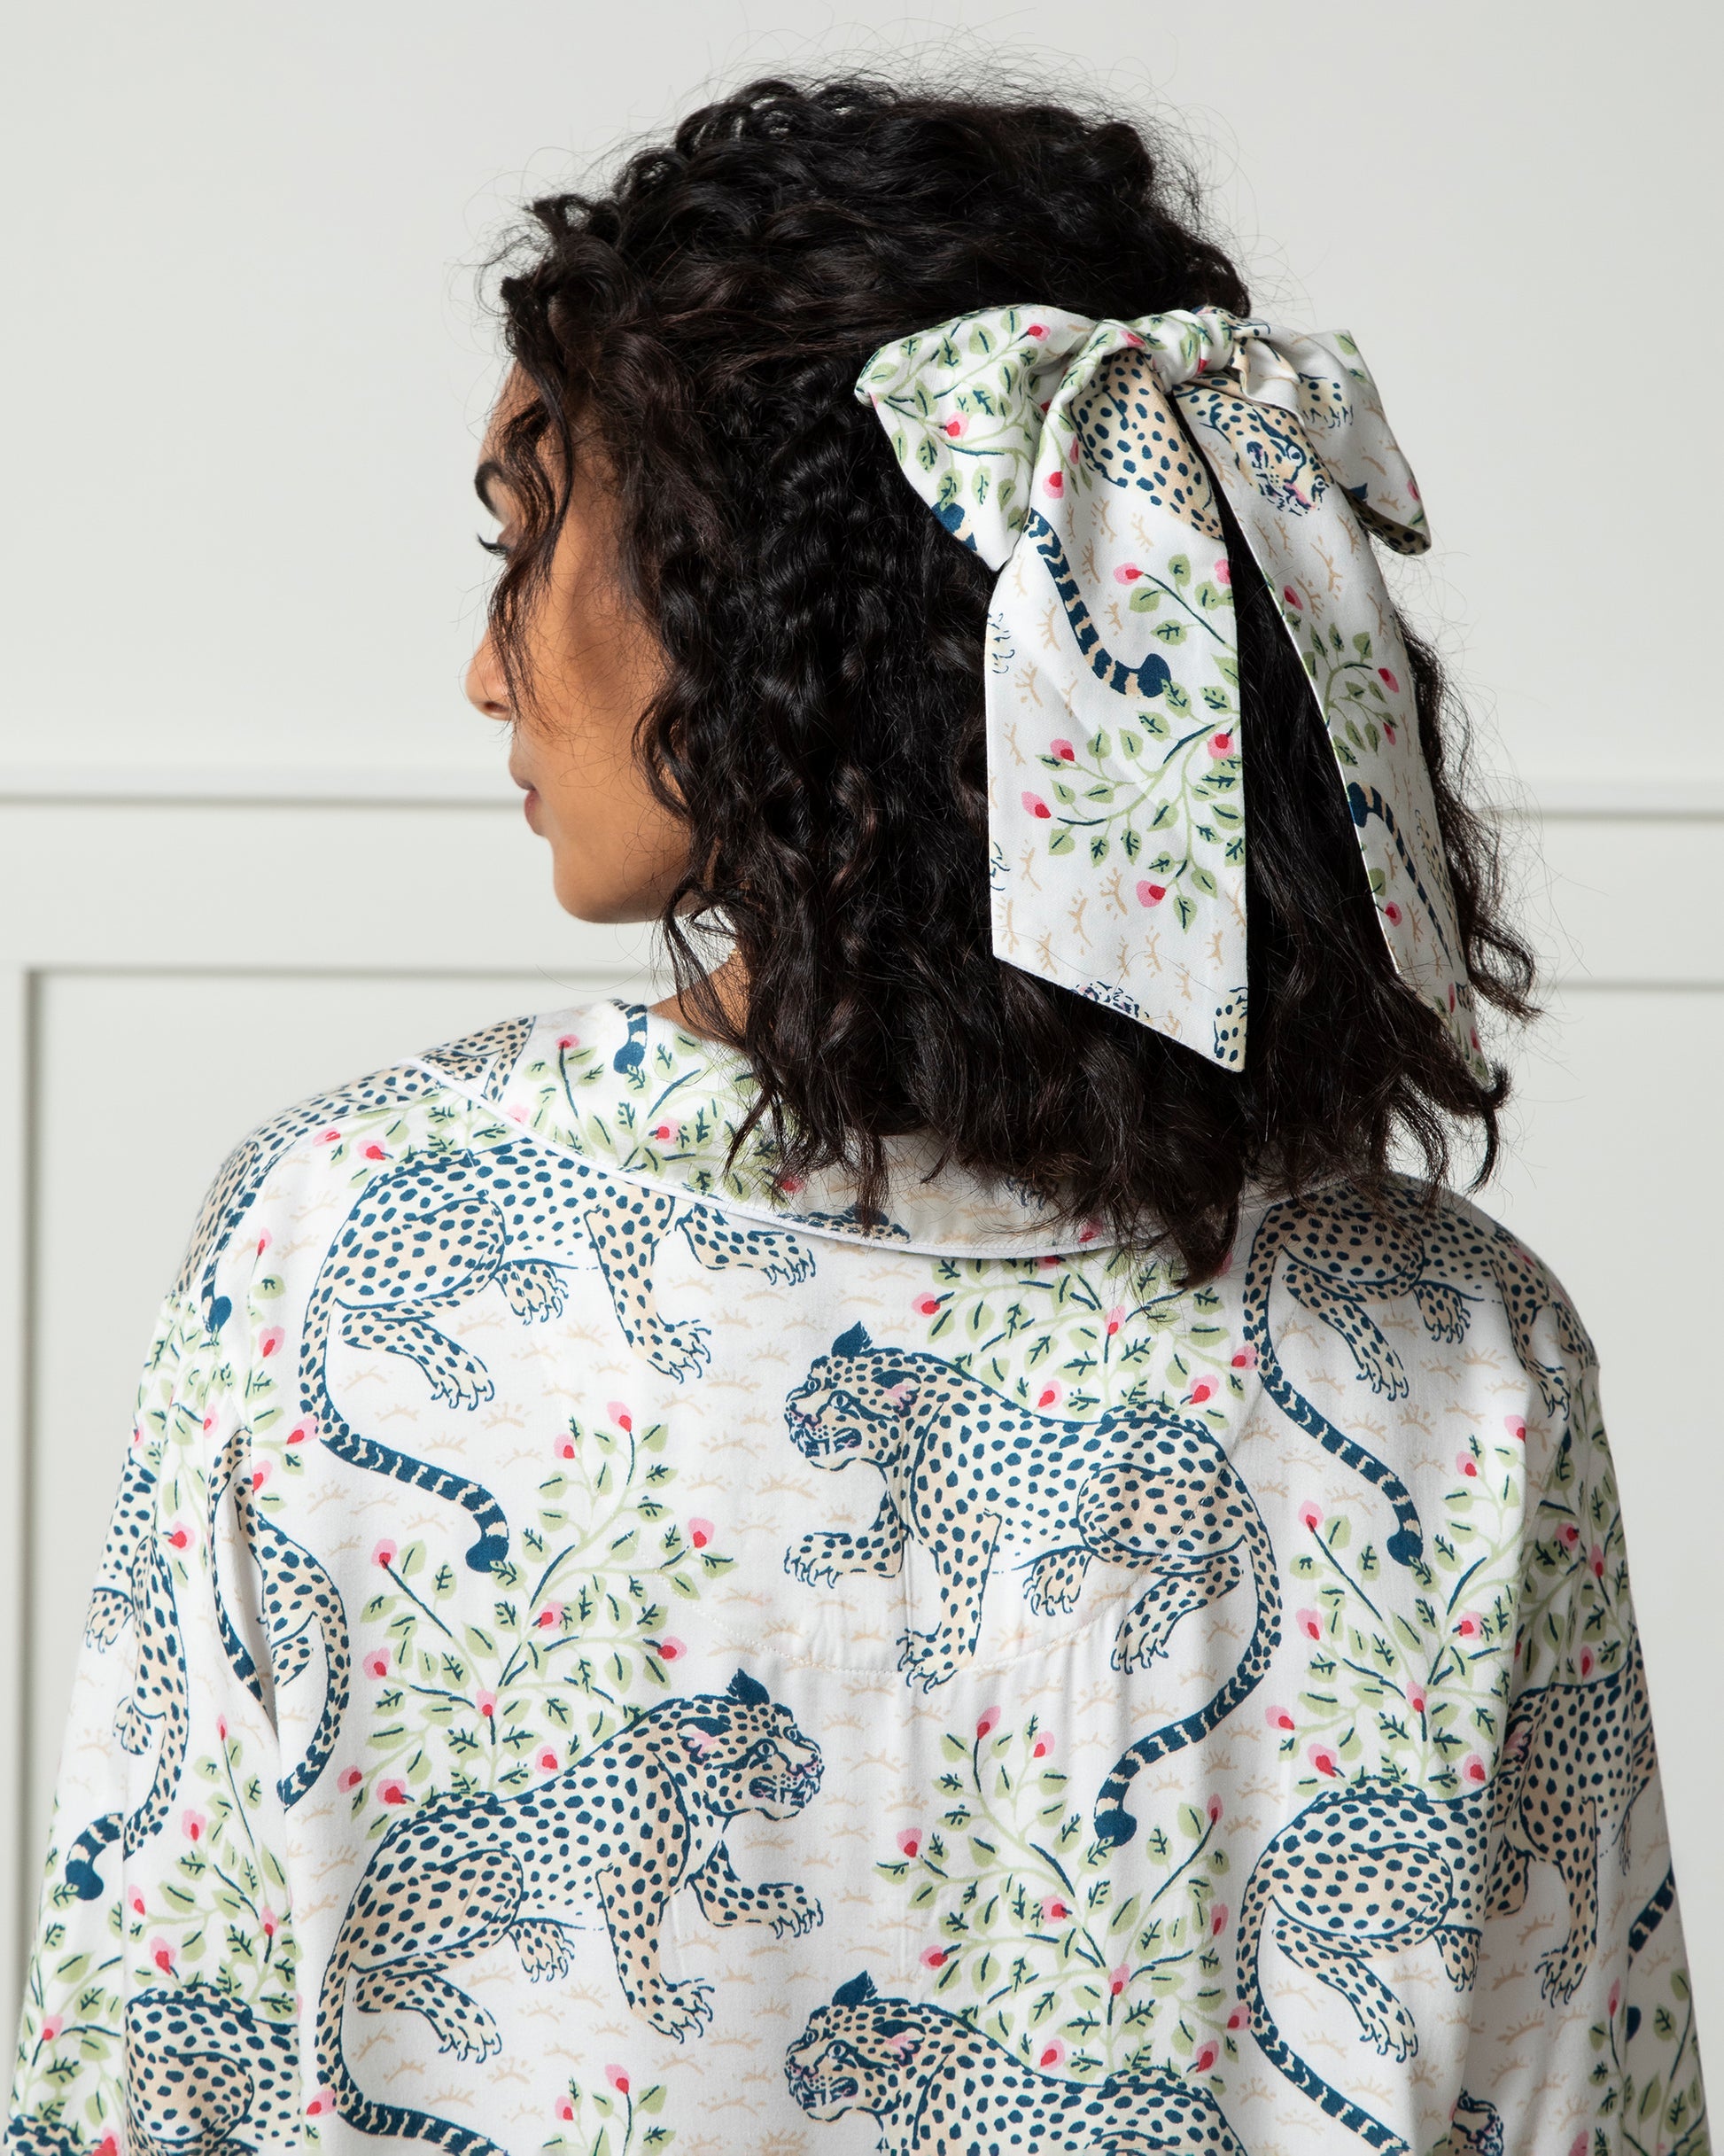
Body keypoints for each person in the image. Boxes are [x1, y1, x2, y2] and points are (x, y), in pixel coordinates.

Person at [6, 75, 1705, 2156]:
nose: (485, 668)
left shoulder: (333, 1240)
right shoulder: (1459, 1359)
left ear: (750, 599)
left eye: (522, 544)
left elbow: (145, 2071)